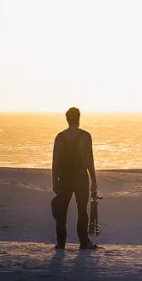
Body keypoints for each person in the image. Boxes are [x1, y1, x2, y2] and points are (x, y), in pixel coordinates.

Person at [51, 107, 99, 250]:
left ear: (67, 119)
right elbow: (90, 160)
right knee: (82, 211)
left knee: (62, 212)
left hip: (64, 179)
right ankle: (84, 242)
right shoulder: (85, 136)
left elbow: (55, 162)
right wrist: (94, 181)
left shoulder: (60, 137)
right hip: (81, 178)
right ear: (79, 118)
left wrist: (54, 182)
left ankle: (61, 243)